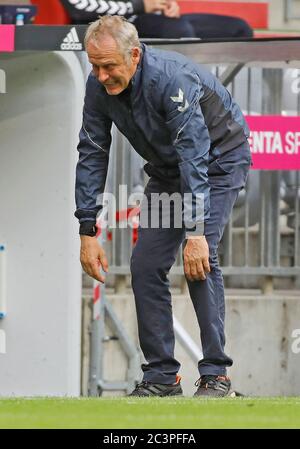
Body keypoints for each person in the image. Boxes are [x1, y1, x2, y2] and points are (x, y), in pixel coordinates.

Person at [75, 16, 251, 397]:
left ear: (135, 55)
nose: (102, 76)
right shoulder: (97, 86)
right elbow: (92, 151)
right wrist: (87, 229)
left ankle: (216, 375)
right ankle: (161, 377)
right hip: (169, 170)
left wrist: (196, 233)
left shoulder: (173, 80)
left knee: (201, 259)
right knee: (145, 264)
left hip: (217, 163)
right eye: (95, 66)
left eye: (109, 66)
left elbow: (194, 158)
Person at [60, 0, 253, 39]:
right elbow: (79, 9)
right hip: (115, 26)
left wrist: (167, 5)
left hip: (151, 19)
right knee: (180, 31)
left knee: (239, 29)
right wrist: (139, 6)